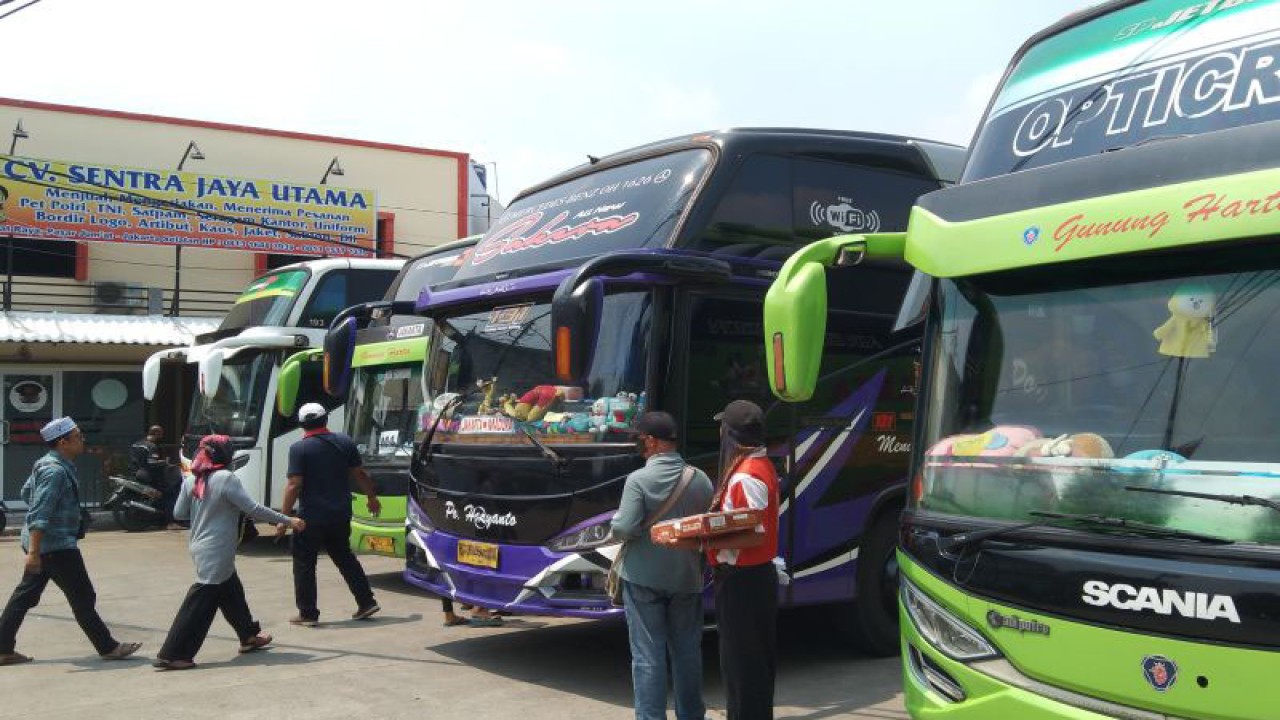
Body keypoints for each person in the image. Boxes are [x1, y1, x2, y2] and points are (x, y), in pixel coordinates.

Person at [660, 400, 779, 720]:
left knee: (742, 663)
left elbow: (753, 531)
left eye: (722, 427)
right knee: (751, 660)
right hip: (753, 575)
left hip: (743, 577)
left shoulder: (746, 476)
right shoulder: (759, 466)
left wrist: (700, 541)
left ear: (731, 434)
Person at [153, 435, 305, 671]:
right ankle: (172, 653)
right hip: (217, 548)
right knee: (201, 599)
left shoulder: (192, 479)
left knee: (231, 590)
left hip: (199, 545)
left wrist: (207, 509)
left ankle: (248, 636)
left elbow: (180, 512)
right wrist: (288, 520)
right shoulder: (225, 478)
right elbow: (252, 508)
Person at [0, 417, 142, 666]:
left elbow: (26, 493)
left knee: (26, 596)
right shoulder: (54, 471)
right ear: (63, 442)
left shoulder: (50, 463)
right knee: (82, 596)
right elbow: (41, 512)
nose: (82, 440)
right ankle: (108, 647)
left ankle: (2, 648)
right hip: (54, 546)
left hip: (46, 544)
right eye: (78, 436)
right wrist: (34, 551)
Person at [610, 411, 714, 720]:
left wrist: (616, 523)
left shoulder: (638, 480)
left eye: (639, 439)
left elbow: (624, 528)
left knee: (647, 656)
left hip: (643, 578)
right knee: (687, 653)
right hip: (686, 578)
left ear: (652, 442)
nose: (637, 444)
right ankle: (692, 715)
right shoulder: (700, 479)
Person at [280, 403, 381, 626]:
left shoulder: (299, 449)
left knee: (304, 564)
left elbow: (294, 485)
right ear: (326, 419)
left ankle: (308, 613)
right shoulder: (345, 442)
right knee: (345, 558)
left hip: (310, 518)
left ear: (302, 425)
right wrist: (372, 498)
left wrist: (283, 518)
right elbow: (360, 474)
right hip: (340, 514)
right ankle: (366, 602)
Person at [129, 425, 182, 529]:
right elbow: (151, 462)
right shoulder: (151, 446)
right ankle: (170, 522)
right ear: (156, 433)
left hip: (137, 473)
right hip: (149, 475)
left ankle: (159, 520)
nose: (162, 436)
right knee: (170, 494)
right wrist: (164, 462)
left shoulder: (136, 444)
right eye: (161, 433)